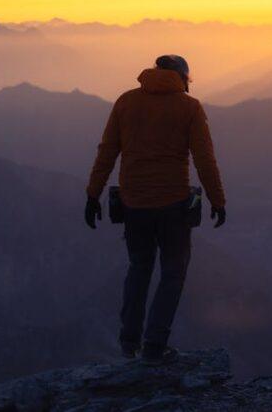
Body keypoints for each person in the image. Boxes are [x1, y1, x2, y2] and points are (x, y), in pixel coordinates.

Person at [84, 54, 226, 361]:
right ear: (183, 78)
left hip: (133, 204)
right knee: (173, 273)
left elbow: (107, 151)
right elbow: (204, 160)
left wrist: (92, 195)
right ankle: (154, 346)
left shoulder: (126, 102)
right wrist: (217, 200)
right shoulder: (189, 108)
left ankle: (128, 342)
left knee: (139, 268)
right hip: (174, 204)